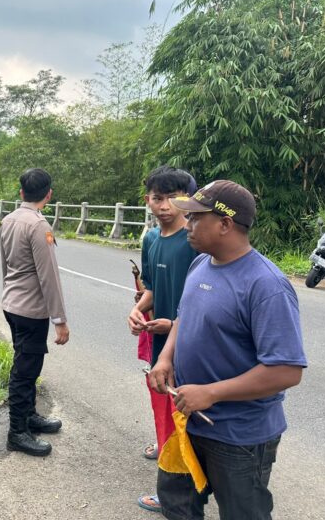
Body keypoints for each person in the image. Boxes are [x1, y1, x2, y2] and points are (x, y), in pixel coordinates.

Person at [149, 180, 306, 520]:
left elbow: (286, 371)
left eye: (195, 218)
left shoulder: (266, 285)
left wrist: (211, 393)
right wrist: (165, 359)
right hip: (189, 423)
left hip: (239, 437)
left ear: (224, 224)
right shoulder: (200, 265)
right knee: (176, 503)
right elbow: (182, 317)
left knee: (242, 513)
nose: (186, 225)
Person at [128, 166, 198, 513]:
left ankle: (175, 491)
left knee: (181, 415)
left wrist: (173, 325)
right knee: (165, 409)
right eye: (158, 197)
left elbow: (203, 301)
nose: (165, 205)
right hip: (160, 345)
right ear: (148, 201)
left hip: (191, 347)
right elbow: (152, 288)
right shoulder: (151, 240)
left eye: (174, 197)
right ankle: (171, 459)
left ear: (189, 200)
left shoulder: (196, 242)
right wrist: (138, 310)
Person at [0, 168, 70, 457]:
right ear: (49, 194)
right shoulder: (39, 226)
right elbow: (49, 276)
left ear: (21, 193)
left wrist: (8, 293)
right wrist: (60, 320)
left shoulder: (8, 219)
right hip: (31, 310)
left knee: (27, 366)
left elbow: (4, 264)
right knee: (25, 372)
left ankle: (28, 416)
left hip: (12, 304)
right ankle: (17, 432)